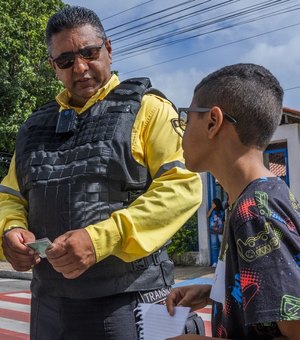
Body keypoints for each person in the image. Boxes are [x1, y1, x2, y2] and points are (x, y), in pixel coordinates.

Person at [0, 6, 202, 340]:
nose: (80, 68)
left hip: (131, 298)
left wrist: (100, 240)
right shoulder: (32, 127)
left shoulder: (148, 109)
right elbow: (11, 195)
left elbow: (182, 187)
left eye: (89, 53)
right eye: (65, 61)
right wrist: (11, 230)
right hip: (49, 302)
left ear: (108, 49)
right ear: (53, 67)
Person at [166, 63, 300, 339]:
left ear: (213, 122)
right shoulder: (259, 195)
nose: (181, 130)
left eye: (186, 118)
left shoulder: (253, 211)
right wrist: (216, 293)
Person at [207, 198, 224, 267]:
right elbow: (207, 215)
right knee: (214, 246)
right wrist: (211, 208)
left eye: (213, 203)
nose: (212, 204)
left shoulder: (222, 211)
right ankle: (215, 262)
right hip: (213, 231)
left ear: (216, 203)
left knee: (222, 246)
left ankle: (221, 261)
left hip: (220, 231)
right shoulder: (212, 211)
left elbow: (224, 220)